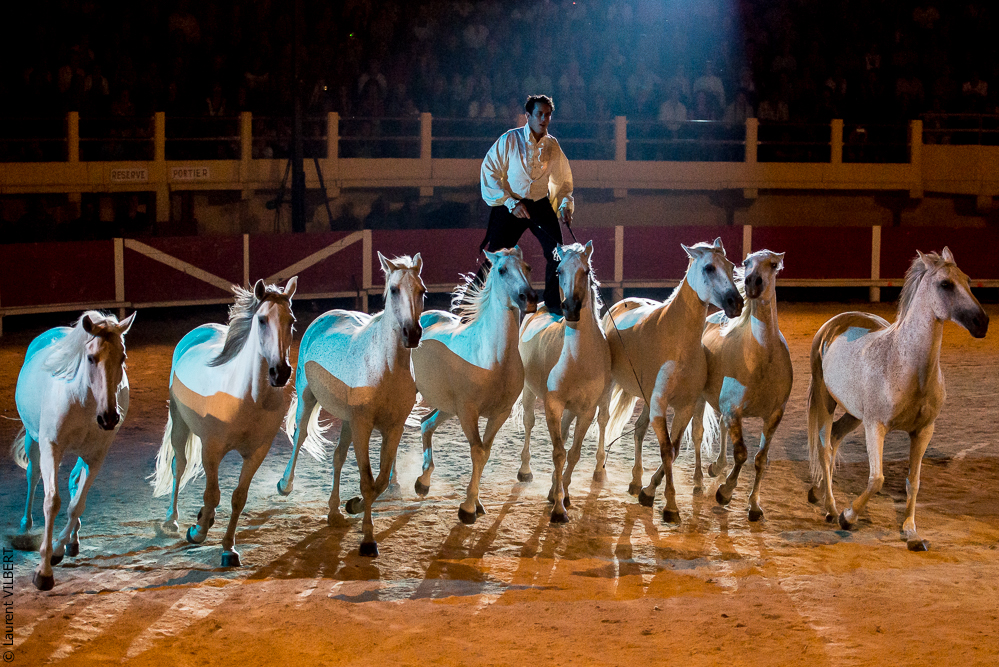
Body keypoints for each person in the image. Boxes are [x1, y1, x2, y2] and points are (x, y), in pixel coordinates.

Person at [479, 94, 574, 315]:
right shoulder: (509, 139)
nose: (543, 119)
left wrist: (564, 206)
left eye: (547, 115)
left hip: (540, 206)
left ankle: (552, 302)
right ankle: (471, 306)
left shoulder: (553, 146)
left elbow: (563, 181)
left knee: (557, 254)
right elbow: (489, 171)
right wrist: (510, 202)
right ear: (528, 116)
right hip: (511, 205)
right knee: (495, 257)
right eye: (539, 114)